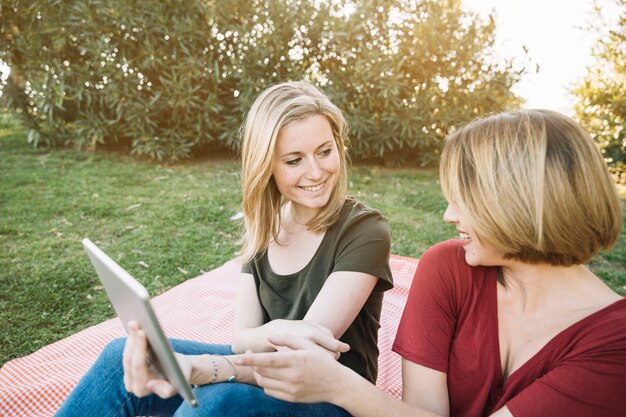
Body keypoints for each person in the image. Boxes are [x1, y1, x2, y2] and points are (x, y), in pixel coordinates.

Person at [237, 109, 626, 417]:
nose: (448, 215)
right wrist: (210, 366)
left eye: (463, 199)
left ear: (520, 206)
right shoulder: (449, 266)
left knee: (220, 404)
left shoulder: (614, 344)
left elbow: (308, 347)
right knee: (181, 369)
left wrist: (339, 386)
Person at [55, 81, 393, 417]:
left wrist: (206, 367)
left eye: (324, 151)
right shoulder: (267, 225)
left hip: (333, 400)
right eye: (294, 160)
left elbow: (303, 356)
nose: (316, 171)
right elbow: (242, 340)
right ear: (267, 166)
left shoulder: (365, 230)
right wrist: (274, 330)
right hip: (264, 377)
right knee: (125, 356)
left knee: (216, 404)